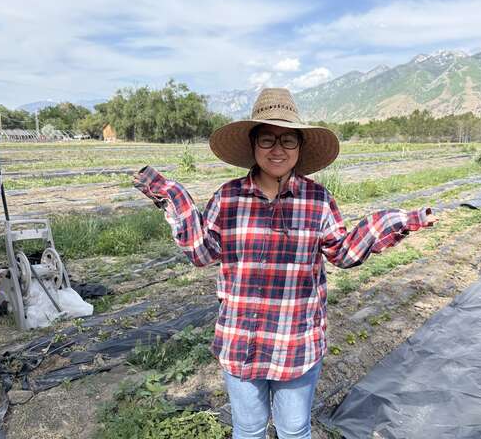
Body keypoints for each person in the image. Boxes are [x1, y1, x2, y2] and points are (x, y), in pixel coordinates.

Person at [134, 88, 436, 439]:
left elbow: (344, 252)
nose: (277, 149)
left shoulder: (318, 200)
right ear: (253, 145)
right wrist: (172, 195)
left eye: (288, 140)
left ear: (299, 148)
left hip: (297, 340)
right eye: (267, 139)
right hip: (241, 339)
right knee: (248, 429)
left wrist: (400, 221)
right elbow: (203, 253)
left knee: (294, 430)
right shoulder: (227, 197)